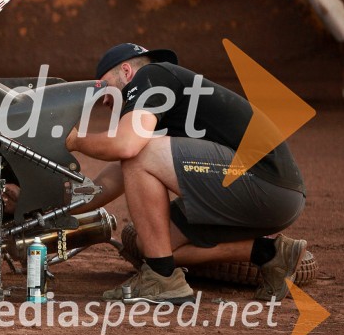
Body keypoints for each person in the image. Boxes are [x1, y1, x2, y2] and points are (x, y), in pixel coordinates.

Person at [66, 43, 307, 303]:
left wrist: (76, 141)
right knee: (154, 244)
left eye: (104, 87)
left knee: (138, 154)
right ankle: (271, 254)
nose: (102, 100)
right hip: (272, 195)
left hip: (265, 181)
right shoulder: (163, 112)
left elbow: (127, 146)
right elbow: (110, 180)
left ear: (126, 71)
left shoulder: (152, 75)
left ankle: (161, 280)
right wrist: (50, 207)